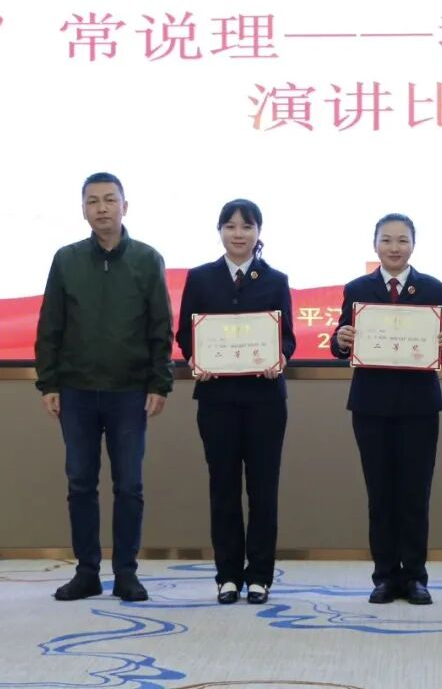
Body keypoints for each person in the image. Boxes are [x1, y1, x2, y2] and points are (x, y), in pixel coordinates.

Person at [34, 171, 174, 602]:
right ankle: (87, 572)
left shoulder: (147, 259)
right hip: (75, 391)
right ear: (83, 210)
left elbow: (160, 326)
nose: (102, 208)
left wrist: (160, 383)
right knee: (80, 484)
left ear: (124, 207)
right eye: (92, 201)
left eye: (110, 200)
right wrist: (49, 382)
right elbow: (50, 324)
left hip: (130, 392)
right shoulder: (67, 259)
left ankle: (126, 573)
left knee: (129, 485)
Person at [329, 213, 442, 605]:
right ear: (375, 244)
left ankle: (415, 576)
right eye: (387, 240)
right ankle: (385, 576)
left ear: (413, 245)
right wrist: (341, 339)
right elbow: (340, 344)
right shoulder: (357, 289)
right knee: (380, 494)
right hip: (371, 406)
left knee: (415, 494)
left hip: (419, 406)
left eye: (402, 240)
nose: (394, 248)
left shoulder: (432, 288)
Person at [176, 199, 295, 605]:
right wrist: (197, 359)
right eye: (230, 226)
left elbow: (287, 337)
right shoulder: (201, 278)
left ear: (259, 232)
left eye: (247, 226)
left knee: (264, 490)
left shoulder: (276, 280)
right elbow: (186, 333)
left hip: (265, 400)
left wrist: (280, 357)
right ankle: (227, 576)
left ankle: (259, 576)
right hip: (217, 399)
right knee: (223, 488)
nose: (238, 234)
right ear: (220, 231)